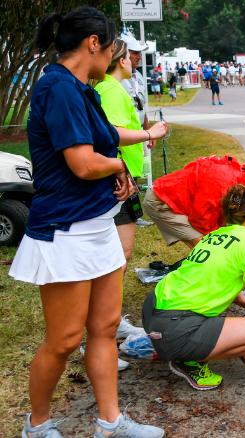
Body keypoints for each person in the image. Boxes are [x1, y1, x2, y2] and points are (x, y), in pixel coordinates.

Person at [12, 7, 164, 437]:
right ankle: (36, 425)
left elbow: (106, 137)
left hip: (98, 224)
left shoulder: (84, 88)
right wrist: (118, 166)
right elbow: (81, 163)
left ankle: (110, 422)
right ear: (93, 43)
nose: (117, 53)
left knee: (105, 328)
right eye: (114, 45)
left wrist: (133, 149)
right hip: (65, 230)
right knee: (63, 340)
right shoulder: (56, 88)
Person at [142, 184, 245, 390]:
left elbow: (210, 275)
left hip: (152, 311)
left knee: (213, 321)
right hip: (175, 328)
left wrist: (239, 297)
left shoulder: (212, 237)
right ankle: (187, 361)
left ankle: (175, 348)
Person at [142, 156, 245, 284]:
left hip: (188, 205)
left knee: (222, 253)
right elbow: (202, 223)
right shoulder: (222, 182)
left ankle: (207, 280)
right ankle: (199, 290)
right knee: (210, 251)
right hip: (163, 201)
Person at [94, 39, 168, 267]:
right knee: (119, 255)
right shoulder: (111, 90)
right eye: (129, 56)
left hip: (123, 174)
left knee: (120, 254)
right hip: (117, 178)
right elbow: (112, 134)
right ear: (121, 60)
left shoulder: (111, 88)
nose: (133, 61)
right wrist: (150, 134)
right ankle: (106, 303)